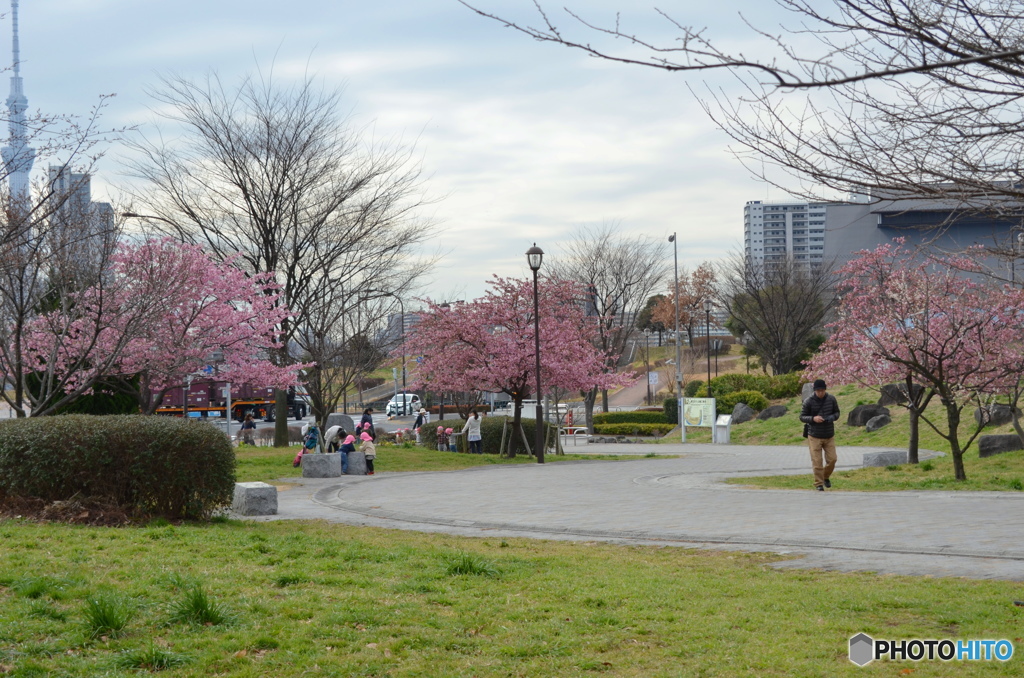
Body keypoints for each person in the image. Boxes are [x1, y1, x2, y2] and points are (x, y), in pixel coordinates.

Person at [800, 378, 841, 491]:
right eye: (818, 391)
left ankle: (825, 476)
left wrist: (831, 418)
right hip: (814, 435)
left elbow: (837, 412)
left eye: (822, 390)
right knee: (817, 461)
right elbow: (802, 417)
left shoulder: (831, 399)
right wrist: (813, 418)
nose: (820, 393)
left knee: (832, 459)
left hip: (829, 434)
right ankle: (819, 483)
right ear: (814, 391)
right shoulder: (808, 401)